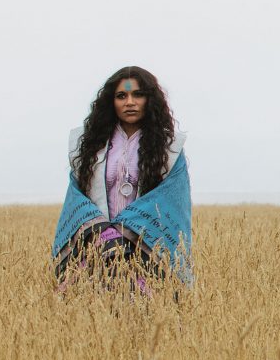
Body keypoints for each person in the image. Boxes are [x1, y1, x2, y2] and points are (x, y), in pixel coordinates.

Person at [52, 66, 193, 290]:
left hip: (144, 246)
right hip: (96, 244)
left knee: (143, 304)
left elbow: (172, 199)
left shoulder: (170, 148)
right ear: (111, 102)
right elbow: (76, 196)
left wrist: (126, 229)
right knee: (88, 304)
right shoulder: (88, 145)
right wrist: (103, 232)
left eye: (138, 94)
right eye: (121, 96)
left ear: (149, 99)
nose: (130, 102)